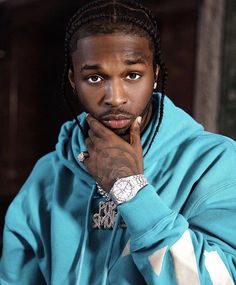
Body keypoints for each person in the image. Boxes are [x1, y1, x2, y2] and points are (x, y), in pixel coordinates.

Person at [0, 0, 236, 284]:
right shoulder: (48, 175)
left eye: (132, 75)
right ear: (74, 80)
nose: (115, 97)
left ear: (155, 74)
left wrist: (132, 192)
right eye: (95, 77)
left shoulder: (215, 163)